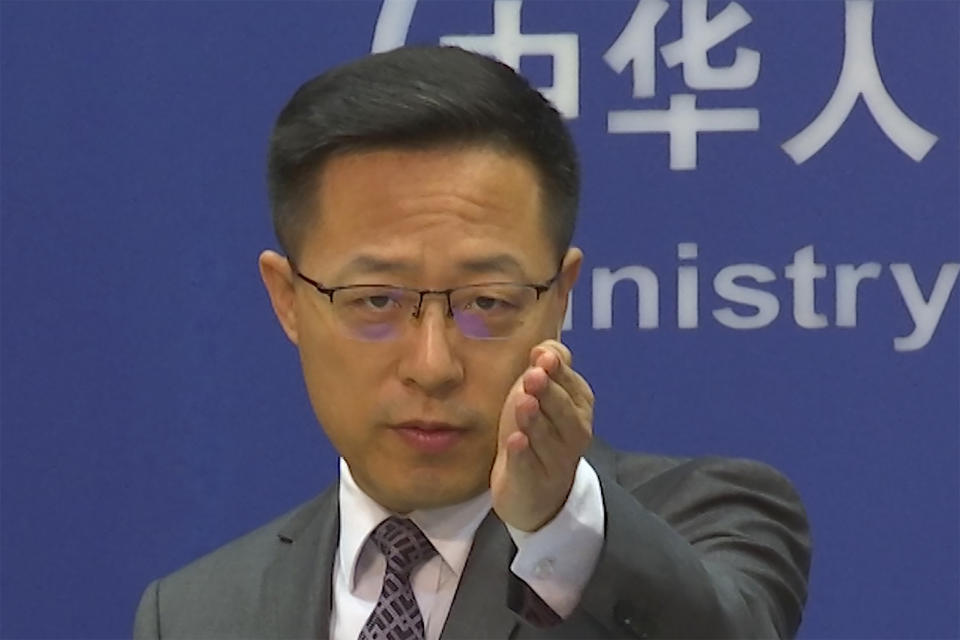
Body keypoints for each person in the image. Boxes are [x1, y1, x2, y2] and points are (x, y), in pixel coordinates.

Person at [133, 45, 810, 639]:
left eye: (486, 302)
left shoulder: (705, 521)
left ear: (560, 296)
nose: (433, 366)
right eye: (377, 301)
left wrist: (554, 523)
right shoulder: (196, 614)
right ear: (288, 299)